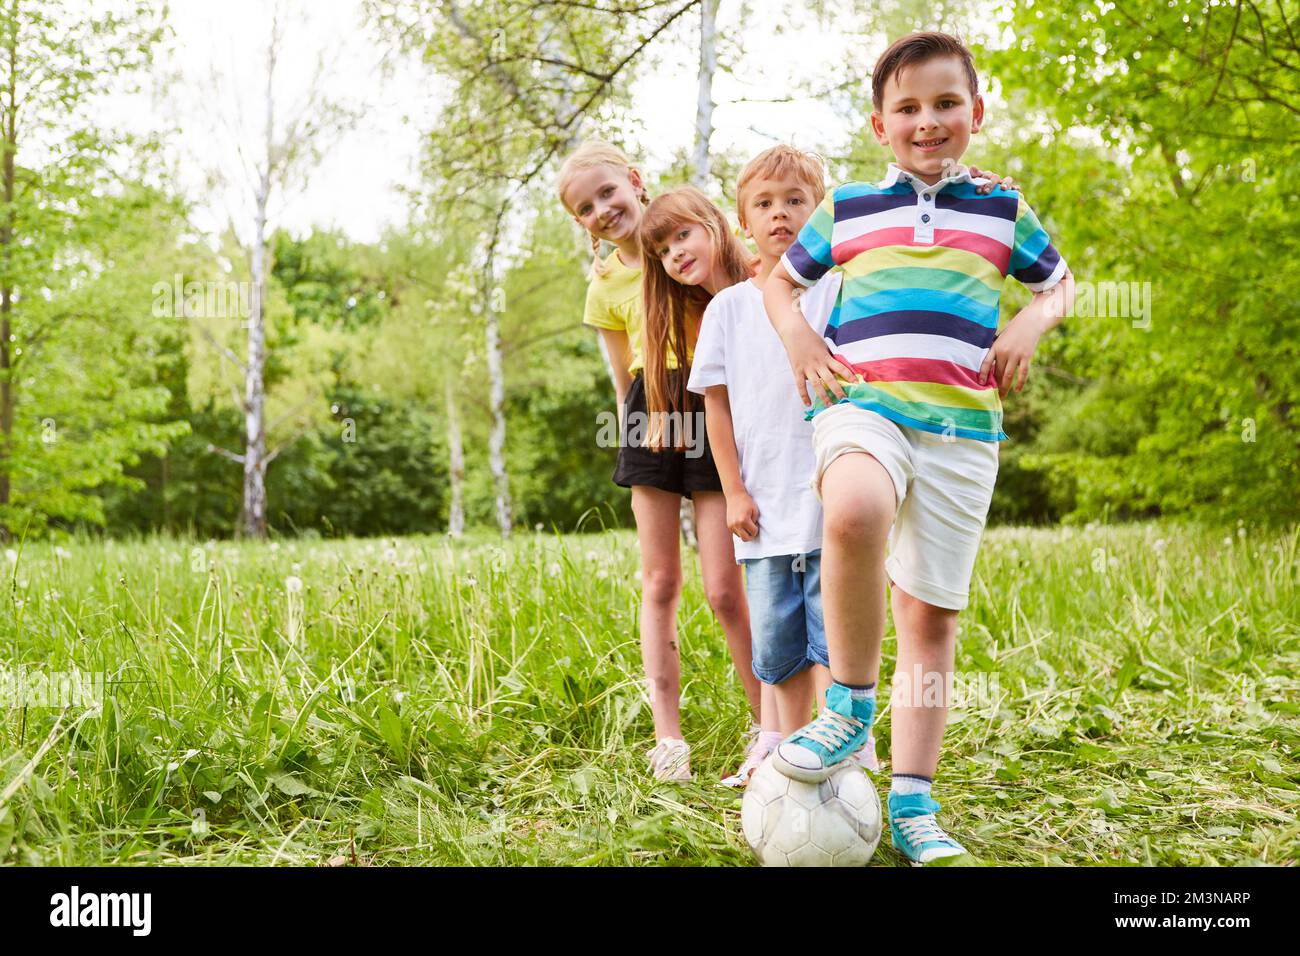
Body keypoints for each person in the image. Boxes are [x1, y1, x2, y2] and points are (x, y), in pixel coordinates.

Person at [762, 32, 1075, 863]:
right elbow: (779, 279)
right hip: (864, 405)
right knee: (856, 509)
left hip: (962, 429)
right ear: (878, 124)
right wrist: (797, 338)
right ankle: (849, 708)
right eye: (907, 108)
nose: (927, 121)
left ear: (977, 111)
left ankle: (913, 804)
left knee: (930, 619)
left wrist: (1031, 322)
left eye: (945, 105)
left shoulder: (1004, 209)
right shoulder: (852, 207)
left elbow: (1060, 282)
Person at [558, 144, 762, 782]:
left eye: (607, 193)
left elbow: (754, 283)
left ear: (634, 182)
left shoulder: (683, 239)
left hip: (711, 406)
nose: (601, 210)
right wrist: (637, 438)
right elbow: (623, 378)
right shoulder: (604, 285)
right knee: (659, 582)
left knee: (725, 588)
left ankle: (768, 725)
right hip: (650, 413)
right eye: (585, 209)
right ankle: (668, 738)